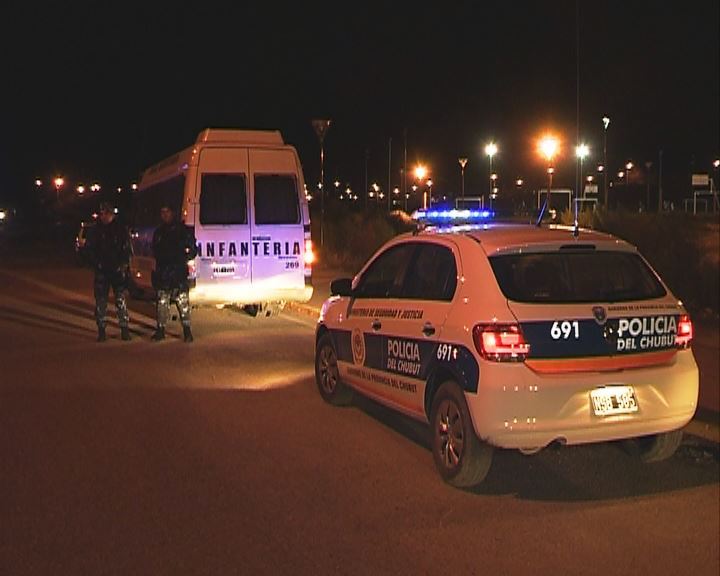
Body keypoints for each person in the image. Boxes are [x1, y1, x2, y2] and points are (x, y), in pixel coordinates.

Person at [85, 202, 133, 342]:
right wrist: (96, 264)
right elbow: (89, 250)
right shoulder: (95, 231)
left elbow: (127, 250)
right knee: (101, 301)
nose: (104, 216)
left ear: (112, 215)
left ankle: (124, 328)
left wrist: (123, 265)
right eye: (102, 214)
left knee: (120, 300)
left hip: (117, 271)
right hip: (102, 271)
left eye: (107, 213)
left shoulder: (120, 230)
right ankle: (101, 330)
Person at [151, 204, 198, 342]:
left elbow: (192, 250)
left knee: (183, 303)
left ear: (173, 213)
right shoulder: (159, 232)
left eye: (167, 212)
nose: (165, 215)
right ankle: (160, 330)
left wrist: (183, 257)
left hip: (178, 273)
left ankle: (187, 331)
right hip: (163, 273)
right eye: (163, 212)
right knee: (162, 303)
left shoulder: (183, 231)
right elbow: (154, 251)